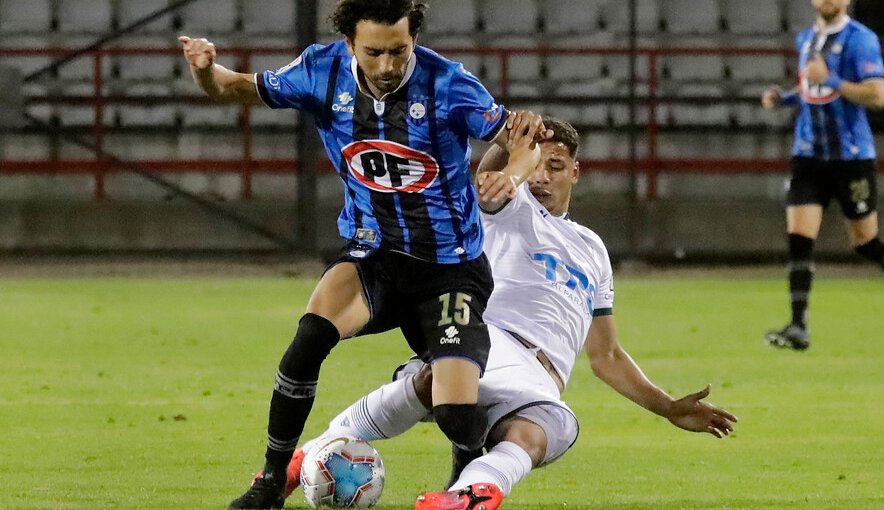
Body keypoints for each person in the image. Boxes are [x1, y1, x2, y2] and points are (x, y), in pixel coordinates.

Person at [180, 1, 550, 508]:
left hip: (451, 269)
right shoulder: (320, 70)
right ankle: (270, 479)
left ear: (412, 41)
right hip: (374, 255)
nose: (387, 65)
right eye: (374, 52)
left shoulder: (449, 83)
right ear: (350, 44)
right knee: (308, 339)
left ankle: (465, 467)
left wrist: (512, 175)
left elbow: (525, 137)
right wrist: (205, 71)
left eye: (399, 51)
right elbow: (230, 86)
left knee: (454, 409)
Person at [285, 118, 739, 510]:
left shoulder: (593, 250)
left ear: (576, 172)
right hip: (489, 340)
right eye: (536, 165)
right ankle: (310, 454)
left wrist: (667, 408)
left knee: (546, 431)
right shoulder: (510, 206)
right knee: (434, 381)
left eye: (555, 167)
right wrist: (511, 133)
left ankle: (467, 494)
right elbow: (488, 179)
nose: (541, 177)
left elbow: (607, 356)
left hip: (540, 382)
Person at [761, 0, 884, 351]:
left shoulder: (861, 40)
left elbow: (877, 94)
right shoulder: (806, 39)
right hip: (808, 154)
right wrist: (785, 99)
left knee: (866, 244)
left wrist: (830, 78)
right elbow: (810, 89)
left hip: (851, 158)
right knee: (799, 238)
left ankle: (798, 325)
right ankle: (798, 326)